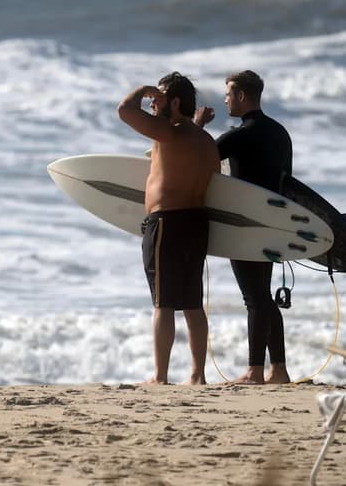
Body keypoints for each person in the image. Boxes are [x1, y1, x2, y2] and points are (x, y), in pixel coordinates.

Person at [117, 72, 220, 385]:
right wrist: (196, 122)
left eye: (158, 98)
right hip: (197, 223)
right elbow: (191, 157)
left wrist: (143, 89)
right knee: (192, 303)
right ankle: (197, 375)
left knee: (163, 303)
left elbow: (124, 110)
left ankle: (160, 376)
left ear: (174, 102)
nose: (152, 103)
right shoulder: (204, 141)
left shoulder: (167, 134)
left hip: (166, 225)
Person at [194, 70, 292, 385]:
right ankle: (278, 369)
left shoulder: (241, 135)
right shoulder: (280, 133)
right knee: (262, 294)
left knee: (254, 297)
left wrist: (197, 127)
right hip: (273, 222)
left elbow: (197, 157)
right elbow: (287, 182)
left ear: (240, 96)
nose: (224, 100)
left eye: (228, 94)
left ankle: (254, 372)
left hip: (245, 225)